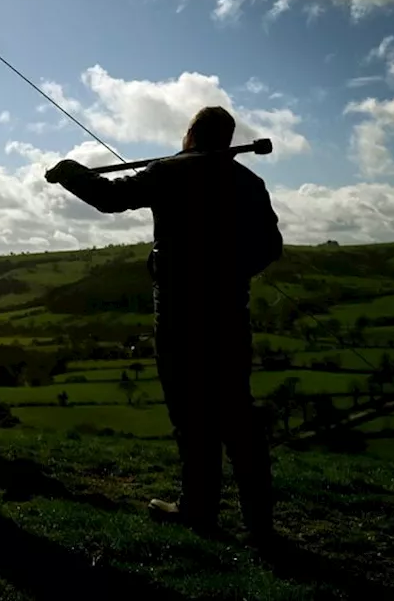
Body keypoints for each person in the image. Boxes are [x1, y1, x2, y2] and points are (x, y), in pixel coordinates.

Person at [45, 106, 283, 543]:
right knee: (236, 411)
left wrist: (71, 172)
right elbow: (270, 246)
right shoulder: (248, 182)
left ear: (191, 133)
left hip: (178, 312)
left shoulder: (170, 171)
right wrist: (229, 273)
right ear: (228, 140)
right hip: (230, 312)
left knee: (191, 413)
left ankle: (198, 509)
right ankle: (258, 523)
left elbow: (111, 198)